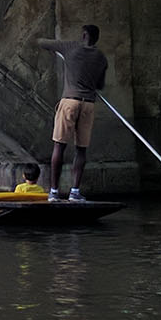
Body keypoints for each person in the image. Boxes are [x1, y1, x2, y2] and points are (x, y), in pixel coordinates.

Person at [40, 24, 108, 202]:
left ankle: (54, 192)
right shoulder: (101, 58)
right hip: (88, 104)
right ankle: (75, 192)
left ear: (84, 35)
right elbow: (99, 85)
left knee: (59, 146)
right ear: (96, 38)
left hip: (70, 101)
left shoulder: (71, 48)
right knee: (81, 150)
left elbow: (43, 43)